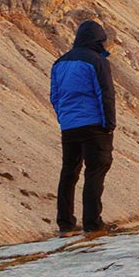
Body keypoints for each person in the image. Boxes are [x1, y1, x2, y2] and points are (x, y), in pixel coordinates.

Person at [49, 19, 119, 234]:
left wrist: (65, 119)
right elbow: (105, 94)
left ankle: (65, 224)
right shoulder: (96, 61)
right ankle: (93, 224)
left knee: (69, 172)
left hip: (69, 127)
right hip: (94, 125)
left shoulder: (59, 63)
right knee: (95, 171)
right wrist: (109, 124)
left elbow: (55, 97)